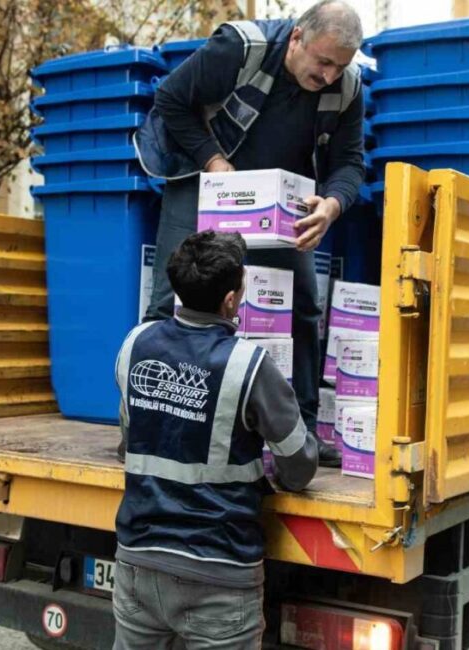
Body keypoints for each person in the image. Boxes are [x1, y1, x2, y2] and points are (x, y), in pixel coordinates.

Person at [135, 0, 366, 468]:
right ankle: (143, 427)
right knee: (172, 300)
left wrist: (333, 204)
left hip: (278, 203)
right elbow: (170, 101)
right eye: (322, 62)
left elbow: (350, 161)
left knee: (303, 305)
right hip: (205, 181)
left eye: (339, 67)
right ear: (297, 37)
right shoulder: (240, 48)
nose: (328, 76)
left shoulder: (348, 87)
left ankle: (300, 431)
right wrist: (215, 163)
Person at [112, 230, 319, 649]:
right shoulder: (250, 364)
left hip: (137, 561)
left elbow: (129, 442)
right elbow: (299, 463)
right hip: (219, 576)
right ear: (230, 300)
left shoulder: (134, 345)